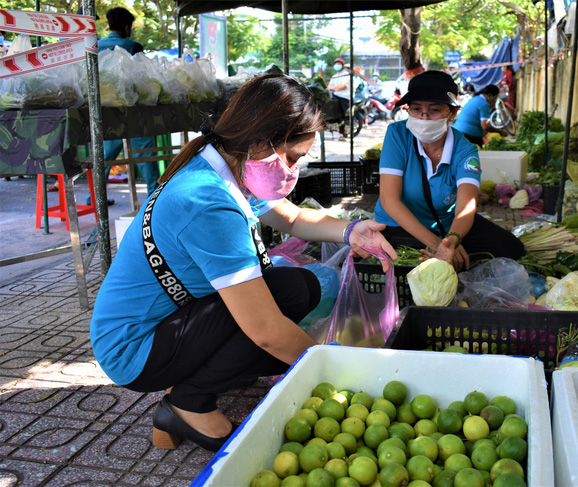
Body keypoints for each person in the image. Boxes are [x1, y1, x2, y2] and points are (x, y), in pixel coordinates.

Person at [89, 74, 397, 452]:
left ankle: (202, 376)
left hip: (164, 324)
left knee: (294, 287)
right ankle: (188, 403)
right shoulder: (207, 200)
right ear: (260, 142)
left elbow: (290, 217)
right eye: (294, 157)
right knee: (283, 301)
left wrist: (352, 231)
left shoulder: (226, 166)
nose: (294, 169)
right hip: (136, 349)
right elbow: (265, 330)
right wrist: (336, 378)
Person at [374, 71, 526, 272]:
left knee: (511, 248)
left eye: (435, 110)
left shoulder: (465, 150)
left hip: (444, 224)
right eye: (416, 109)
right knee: (413, 266)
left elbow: (466, 207)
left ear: (452, 114)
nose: (424, 117)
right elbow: (390, 201)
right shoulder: (397, 134)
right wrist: (439, 246)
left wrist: (453, 239)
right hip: (398, 225)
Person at [87, 6, 161, 205]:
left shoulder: (96, 46)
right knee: (145, 153)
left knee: (105, 156)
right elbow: (143, 78)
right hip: (133, 110)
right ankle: (153, 196)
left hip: (106, 112)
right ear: (127, 27)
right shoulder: (133, 47)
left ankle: (93, 197)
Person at [327, 58, 351, 141]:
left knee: (342, 116)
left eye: (339, 64)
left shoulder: (346, 75)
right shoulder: (334, 76)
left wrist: (334, 88)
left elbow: (342, 86)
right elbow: (329, 87)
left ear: (342, 66)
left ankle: (342, 134)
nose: (337, 65)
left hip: (344, 98)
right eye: (336, 63)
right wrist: (335, 88)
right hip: (335, 97)